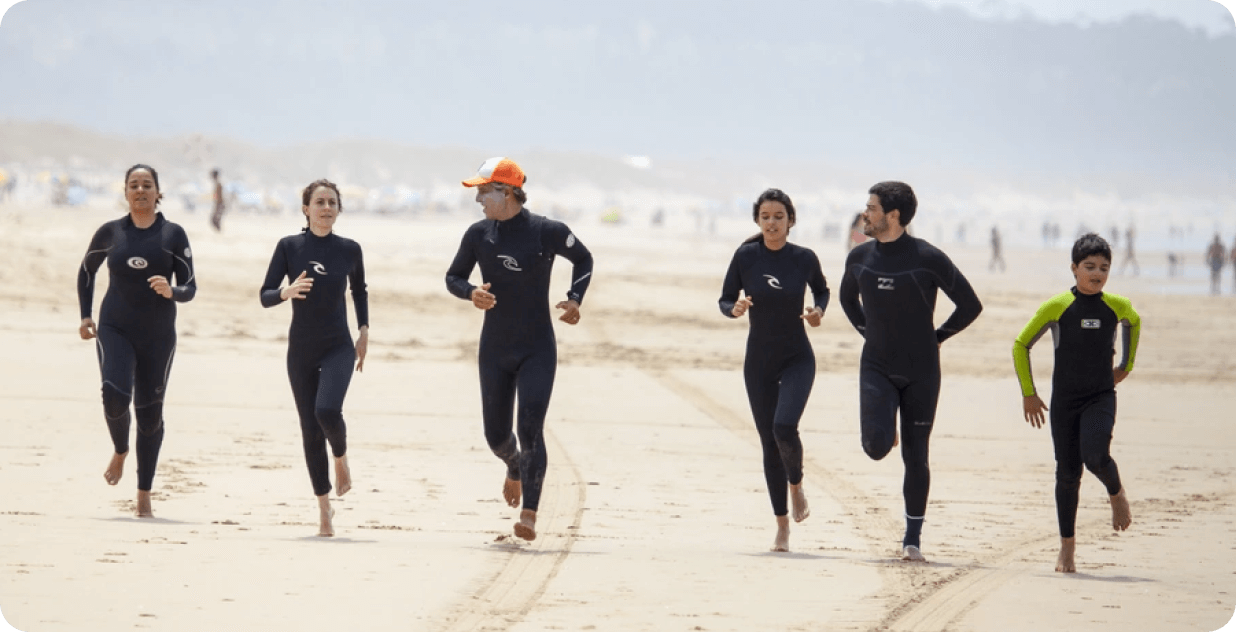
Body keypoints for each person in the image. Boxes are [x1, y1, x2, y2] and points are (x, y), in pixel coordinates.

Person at [445, 157, 594, 541]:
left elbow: (584, 259)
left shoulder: (547, 231)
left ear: (506, 192)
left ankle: (529, 514)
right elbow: (453, 276)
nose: (478, 199)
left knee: (530, 429)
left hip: (536, 347)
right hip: (494, 348)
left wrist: (575, 298)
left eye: (483, 190)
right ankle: (513, 466)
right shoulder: (478, 235)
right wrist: (470, 292)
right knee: (497, 437)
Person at [838, 181, 982, 561]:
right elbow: (846, 299)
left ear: (893, 215)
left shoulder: (927, 258)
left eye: (870, 208)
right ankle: (886, 425)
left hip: (921, 370)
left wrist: (938, 337)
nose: (864, 214)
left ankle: (912, 540)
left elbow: (970, 305)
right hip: (877, 365)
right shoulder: (860, 257)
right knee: (876, 446)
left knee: (916, 456)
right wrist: (867, 332)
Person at [1012, 233, 1139, 573]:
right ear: (1074, 268)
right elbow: (1021, 345)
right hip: (1065, 402)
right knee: (1067, 474)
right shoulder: (1057, 307)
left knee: (1095, 456)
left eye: (1104, 267)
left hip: (1100, 397)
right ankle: (1067, 548)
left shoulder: (1116, 306)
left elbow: (1134, 321)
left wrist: (1126, 365)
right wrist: (1029, 392)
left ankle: (1116, 492)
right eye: (1089, 266)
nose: (1097, 273)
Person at [77, 164, 197, 518]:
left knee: (149, 416)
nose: (140, 190)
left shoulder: (173, 234)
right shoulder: (111, 232)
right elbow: (87, 271)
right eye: (134, 185)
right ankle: (120, 449)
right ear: (125, 192)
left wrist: (171, 290)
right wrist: (86, 315)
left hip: (158, 335)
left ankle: (144, 494)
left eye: (147, 185)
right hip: (115, 327)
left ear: (159, 193)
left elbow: (190, 287)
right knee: (114, 396)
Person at [719, 188, 829, 552]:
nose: (771, 222)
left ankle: (796, 486)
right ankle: (782, 526)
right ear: (757, 220)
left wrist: (817, 312)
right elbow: (724, 298)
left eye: (778, 216)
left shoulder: (803, 258)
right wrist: (734, 308)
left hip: (798, 356)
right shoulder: (746, 256)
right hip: (759, 361)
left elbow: (823, 291)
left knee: (784, 426)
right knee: (769, 443)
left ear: (791, 221)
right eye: (765, 216)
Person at [260, 179, 368, 537]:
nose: (326, 208)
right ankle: (324, 510)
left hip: (338, 345)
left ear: (338, 209)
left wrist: (364, 330)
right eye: (319, 202)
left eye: (332, 203)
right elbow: (264, 295)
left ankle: (340, 456)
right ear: (305, 209)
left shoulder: (350, 249)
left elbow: (359, 290)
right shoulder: (289, 247)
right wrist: (285, 291)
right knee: (309, 430)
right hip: (302, 349)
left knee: (326, 411)